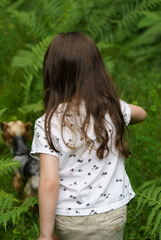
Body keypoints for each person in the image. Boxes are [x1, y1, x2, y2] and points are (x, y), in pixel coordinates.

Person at [30, 32, 146, 240]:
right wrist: (120, 111)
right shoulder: (112, 110)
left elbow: (49, 181)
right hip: (111, 214)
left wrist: (46, 235)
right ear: (97, 72)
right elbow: (142, 113)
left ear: (52, 74)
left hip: (69, 220)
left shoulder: (47, 124)